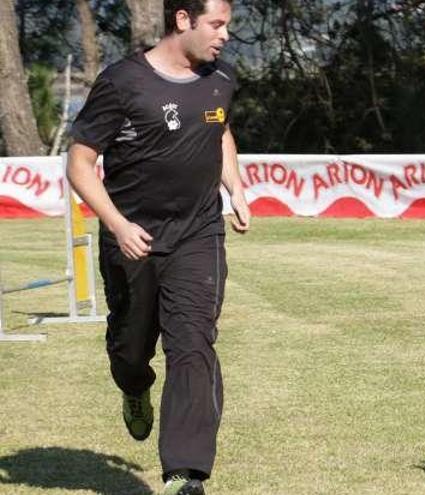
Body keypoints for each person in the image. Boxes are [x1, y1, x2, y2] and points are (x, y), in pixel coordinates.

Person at [66, 0, 249, 493]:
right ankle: (133, 386)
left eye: (227, 24)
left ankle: (185, 474)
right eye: (216, 23)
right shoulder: (123, 82)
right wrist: (118, 225)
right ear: (183, 20)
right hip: (133, 241)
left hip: (199, 234)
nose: (225, 35)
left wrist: (236, 187)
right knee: (131, 348)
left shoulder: (221, 79)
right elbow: (80, 163)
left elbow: (221, 130)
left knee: (192, 343)